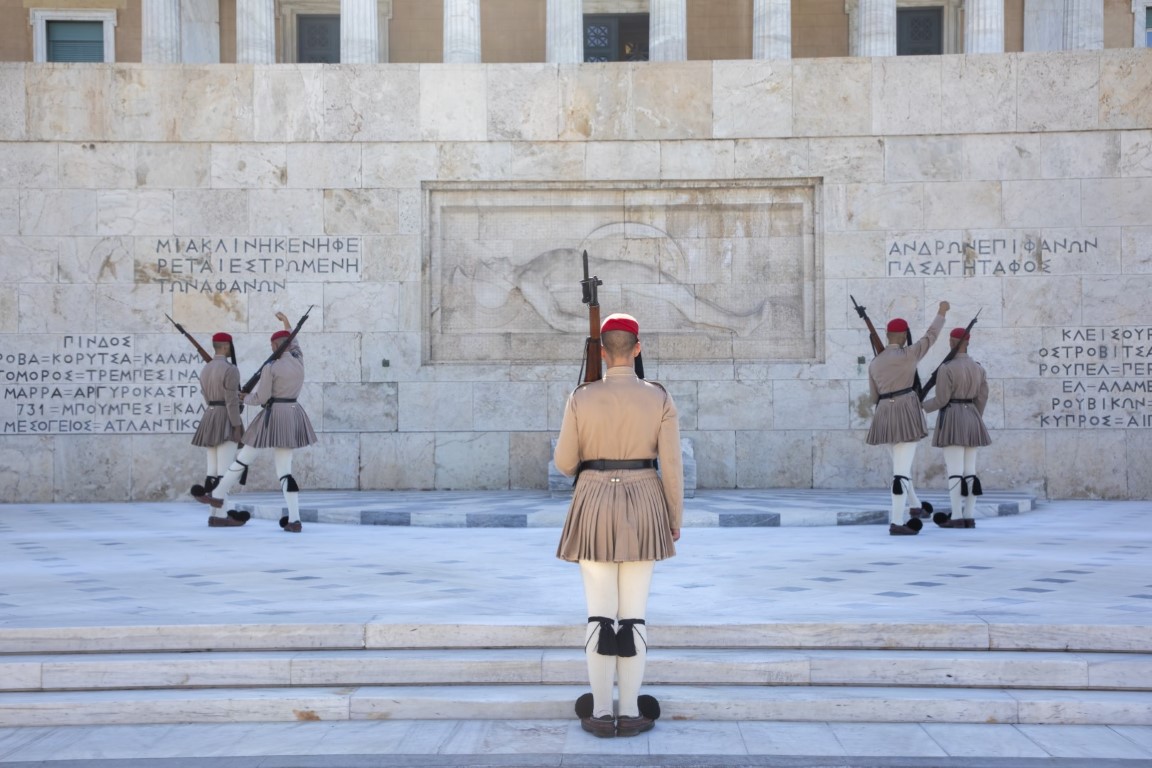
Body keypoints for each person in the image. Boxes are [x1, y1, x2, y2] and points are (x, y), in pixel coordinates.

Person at [554, 313, 683, 739]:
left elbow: (564, 462)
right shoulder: (659, 397)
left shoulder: (581, 396)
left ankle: (598, 710)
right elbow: (672, 466)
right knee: (634, 617)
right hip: (645, 499)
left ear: (603, 353)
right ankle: (630, 711)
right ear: (639, 349)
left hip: (593, 500)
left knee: (598, 614)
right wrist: (674, 518)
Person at [194, 311, 317, 533]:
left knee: (242, 459)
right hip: (293, 413)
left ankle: (217, 496)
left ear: (275, 346)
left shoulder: (271, 368)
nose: (271, 350)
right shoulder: (299, 360)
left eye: (272, 346)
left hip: (272, 416)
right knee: (285, 472)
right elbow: (294, 339)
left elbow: (261, 398)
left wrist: (244, 398)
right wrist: (286, 322)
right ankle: (295, 519)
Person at [866, 301, 949, 536]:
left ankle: (915, 506)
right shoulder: (910, 354)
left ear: (887, 335)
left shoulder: (874, 362)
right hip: (906, 413)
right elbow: (931, 336)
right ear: (903, 336)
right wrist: (941, 313)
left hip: (883, 415)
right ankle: (896, 521)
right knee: (900, 472)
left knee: (900, 465)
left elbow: (873, 396)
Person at [922, 327, 992, 529]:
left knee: (955, 471)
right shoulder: (979, 368)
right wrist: (974, 416)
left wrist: (920, 407)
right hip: (972, 416)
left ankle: (957, 516)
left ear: (952, 342)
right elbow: (983, 397)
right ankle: (969, 516)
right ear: (968, 342)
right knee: (970, 471)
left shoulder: (947, 368)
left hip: (952, 416)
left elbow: (942, 399)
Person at [190, 332, 248, 528]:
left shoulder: (206, 369)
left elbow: (207, 397)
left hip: (210, 415)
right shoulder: (230, 370)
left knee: (212, 470)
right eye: (229, 346)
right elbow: (231, 402)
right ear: (224, 347)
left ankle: (213, 514)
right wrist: (237, 426)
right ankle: (221, 515)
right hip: (225, 417)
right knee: (225, 471)